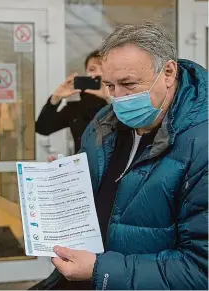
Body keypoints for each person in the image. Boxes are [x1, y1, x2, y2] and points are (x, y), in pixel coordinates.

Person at [33, 21, 208, 290]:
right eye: (110, 86)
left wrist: (100, 271)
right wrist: (67, 182)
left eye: (128, 84)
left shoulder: (201, 144)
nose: (119, 98)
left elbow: (200, 270)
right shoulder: (104, 122)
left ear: (169, 72)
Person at [36, 50, 107, 153]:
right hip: (83, 166)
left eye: (104, 69)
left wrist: (111, 100)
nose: (98, 73)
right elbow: (43, 128)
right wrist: (55, 98)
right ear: (86, 73)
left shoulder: (122, 103)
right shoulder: (76, 108)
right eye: (92, 69)